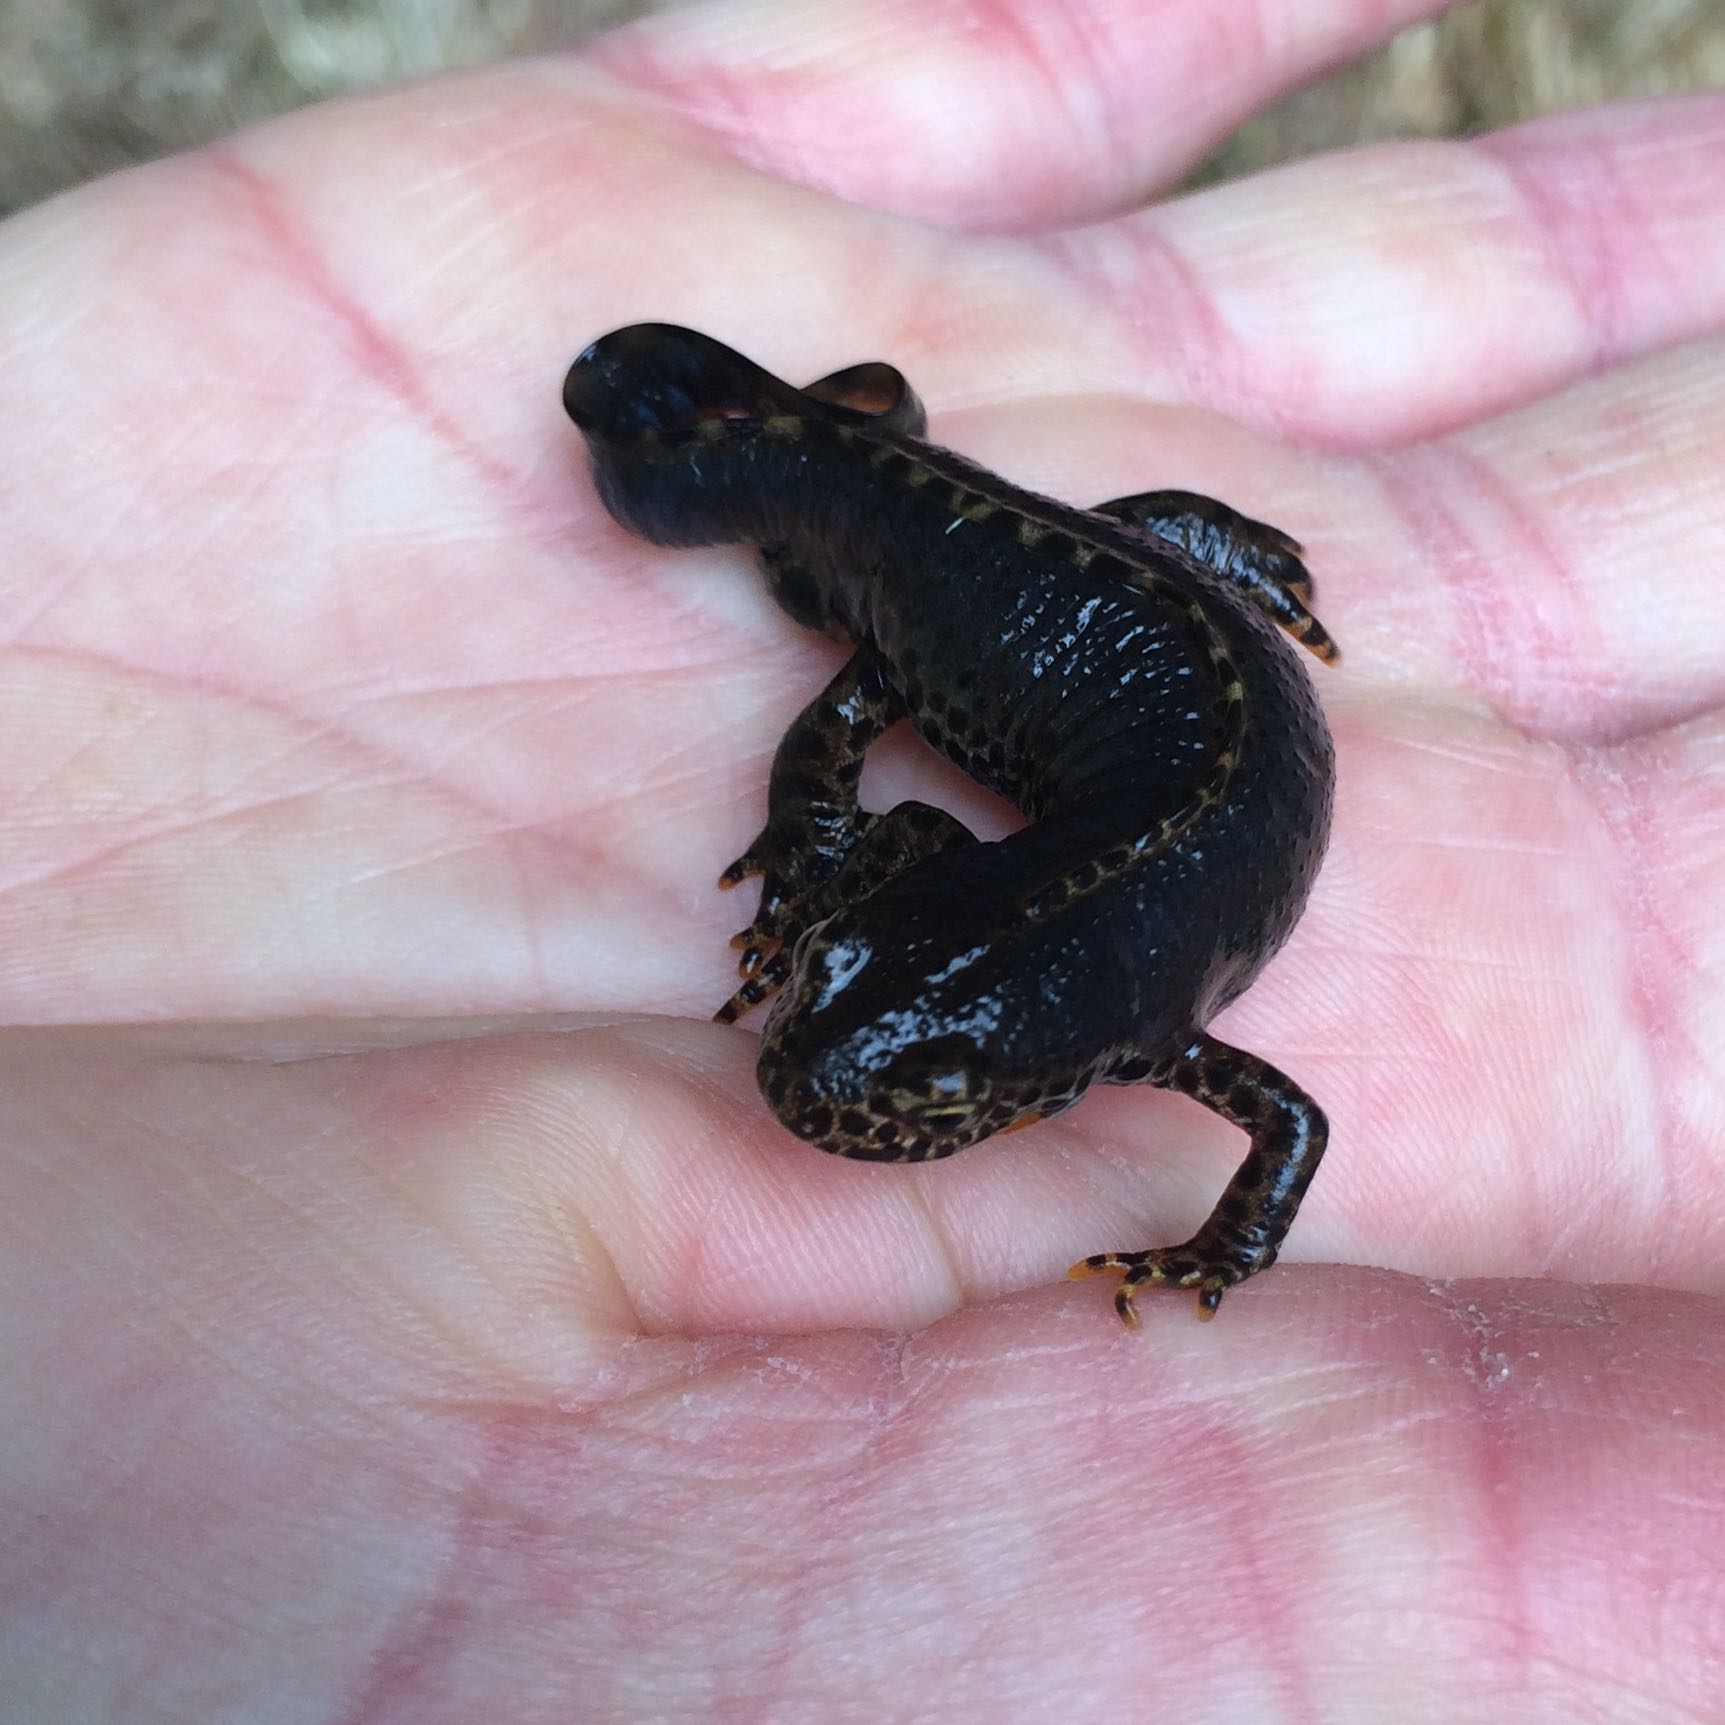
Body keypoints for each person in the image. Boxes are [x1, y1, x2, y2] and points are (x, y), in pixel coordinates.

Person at [3, 2, 1722, 1718]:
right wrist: (810, 871)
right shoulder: (1063, 965)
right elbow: (949, 871)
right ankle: (852, 478)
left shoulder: (1129, 1012)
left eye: (940, 1082)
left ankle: (912, 489)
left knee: (934, 577)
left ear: (1066, 1063)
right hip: (1054, 613)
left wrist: (1222, 1256)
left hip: (1129, 626)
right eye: (859, 1007)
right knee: (889, 606)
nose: (831, 1078)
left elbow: (1287, 1121)